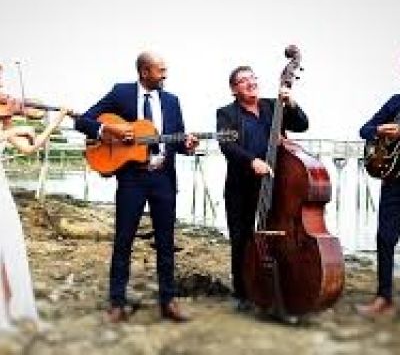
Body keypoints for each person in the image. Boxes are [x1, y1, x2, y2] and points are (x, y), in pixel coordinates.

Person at [75, 52, 198, 323]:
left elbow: (176, 140)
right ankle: (117, 303)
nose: (165, 75)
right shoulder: (121, 93)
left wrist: (187, 146)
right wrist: (113, 131)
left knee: (166, 242)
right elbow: (82, 121)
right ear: (144, 72)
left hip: (164, 179)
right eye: (160, 70)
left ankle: (168, 302)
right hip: (132, 179)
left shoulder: (172, 101)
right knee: (124, 240)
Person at [216, 65, 308, 310]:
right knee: (241, 238)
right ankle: (242, 293)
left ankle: (279, 286)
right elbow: (227, 145)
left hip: (277, 184)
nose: (250, 83)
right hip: (241, 185)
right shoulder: (226, 113)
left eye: (253, 78)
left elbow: (302, 125)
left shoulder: (273, 106)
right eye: (243, 80)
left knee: (279, 233)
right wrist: (251, 161)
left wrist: (291, 103)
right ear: (234, 89)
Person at [0, 64, 69, 331]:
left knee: (10, 248)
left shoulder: (5, 114)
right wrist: (12, 132)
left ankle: (14, 312)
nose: (3, 89)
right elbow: (11, 136)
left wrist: (56, 120)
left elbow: (30, 148)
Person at [357, 95, 400, 318]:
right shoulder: (396, 102)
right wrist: (379, 130)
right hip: (394, 183)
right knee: (385, 238)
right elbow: (364, 130)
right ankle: (384, 298)